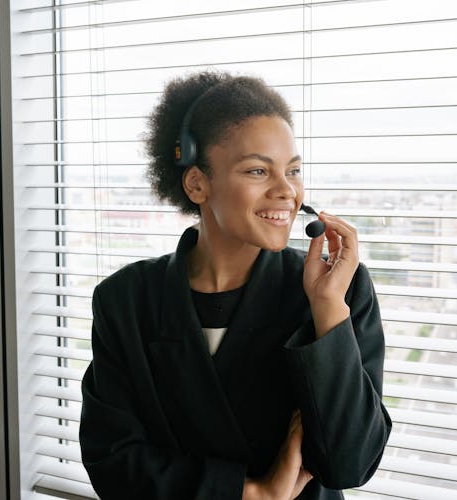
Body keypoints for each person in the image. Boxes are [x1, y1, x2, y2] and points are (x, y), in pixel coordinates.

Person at [79, 71, 392, 499]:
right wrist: (253, 493)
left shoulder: (339, 290)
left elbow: (350, 464)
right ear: (197, 183)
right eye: (258, 170)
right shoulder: (125, 300)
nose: (287, 191)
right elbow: (113, 462)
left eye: (294, 170)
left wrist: (327, 310)